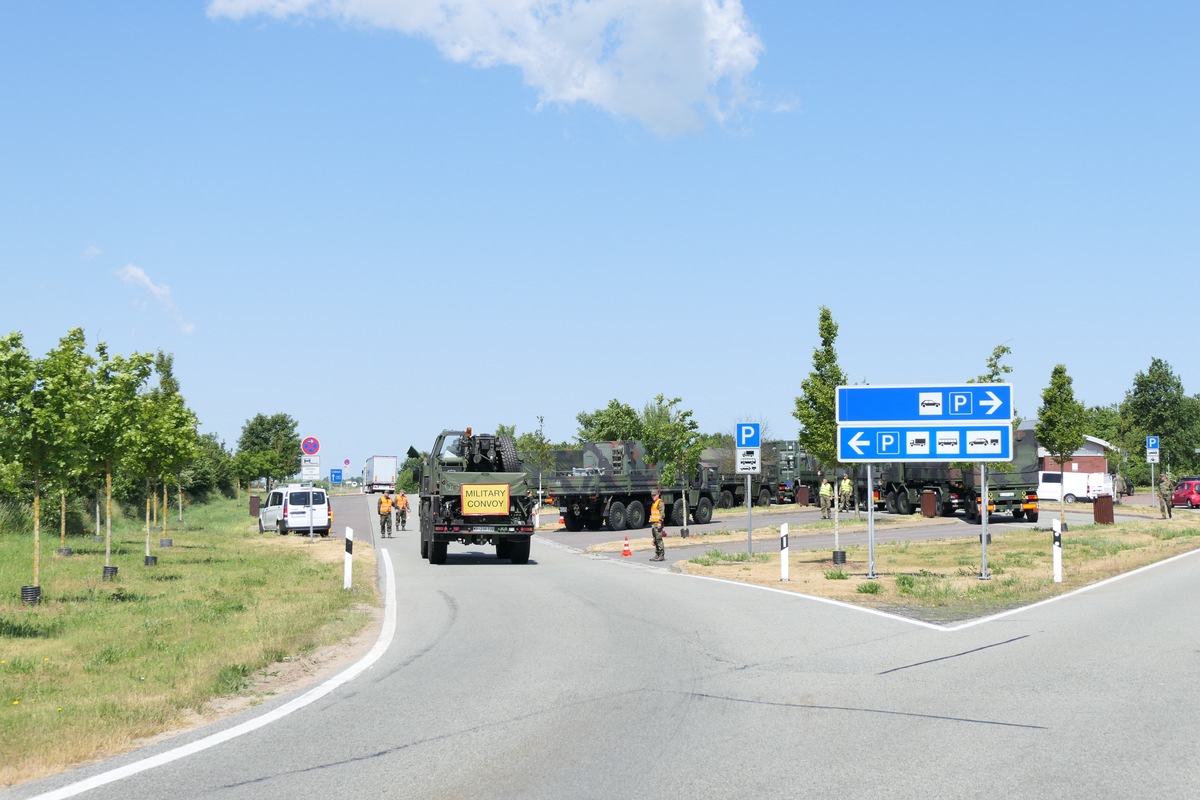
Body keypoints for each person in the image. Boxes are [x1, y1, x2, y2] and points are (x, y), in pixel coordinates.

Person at [649, 490, 665, 561]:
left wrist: (660, 522)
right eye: (652, 495)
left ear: (658, 495)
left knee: (658, 539)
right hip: (654, 523)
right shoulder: (654, 503)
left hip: (658, 523)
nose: (653, 496)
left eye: (654, 495)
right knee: (655, 539)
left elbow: (662, 513)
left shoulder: (660, 502)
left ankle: (661, 555)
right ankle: (657, 554)